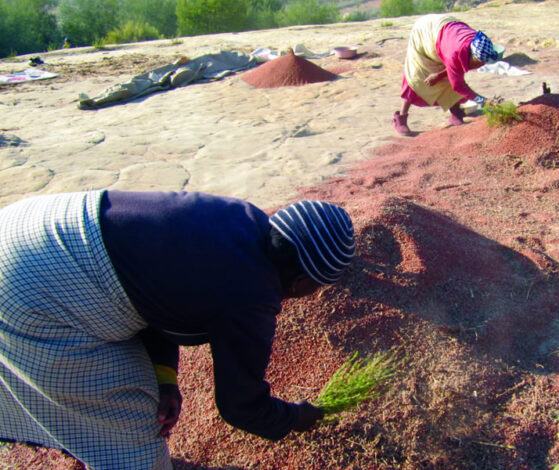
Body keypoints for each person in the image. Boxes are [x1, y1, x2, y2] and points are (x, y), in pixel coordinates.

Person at [0, 190, 356, 469]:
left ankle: (77, 434)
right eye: (319, 287)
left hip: (33, 225)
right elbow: (240, 406)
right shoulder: (252, 295)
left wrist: (165, 377)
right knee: (129, 423)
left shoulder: (240, 219)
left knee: (121, 383)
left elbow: (157, 289)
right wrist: (297, 417)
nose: (315, 295)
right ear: (301, 282)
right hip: (35, 288)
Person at [393, 14, 503, 136]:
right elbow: (458, 85)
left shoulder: (476, 43)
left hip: (447, 28)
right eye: (478, 62)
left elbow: (456, 69)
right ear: (472, 55)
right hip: (425, 31)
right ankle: (400, 118)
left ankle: (455, 111)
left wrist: (439, 75)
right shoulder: (454, 53)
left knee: (449, 76)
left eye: (483, 63)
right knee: (417, 75)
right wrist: (483, 101)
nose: (479, 66)